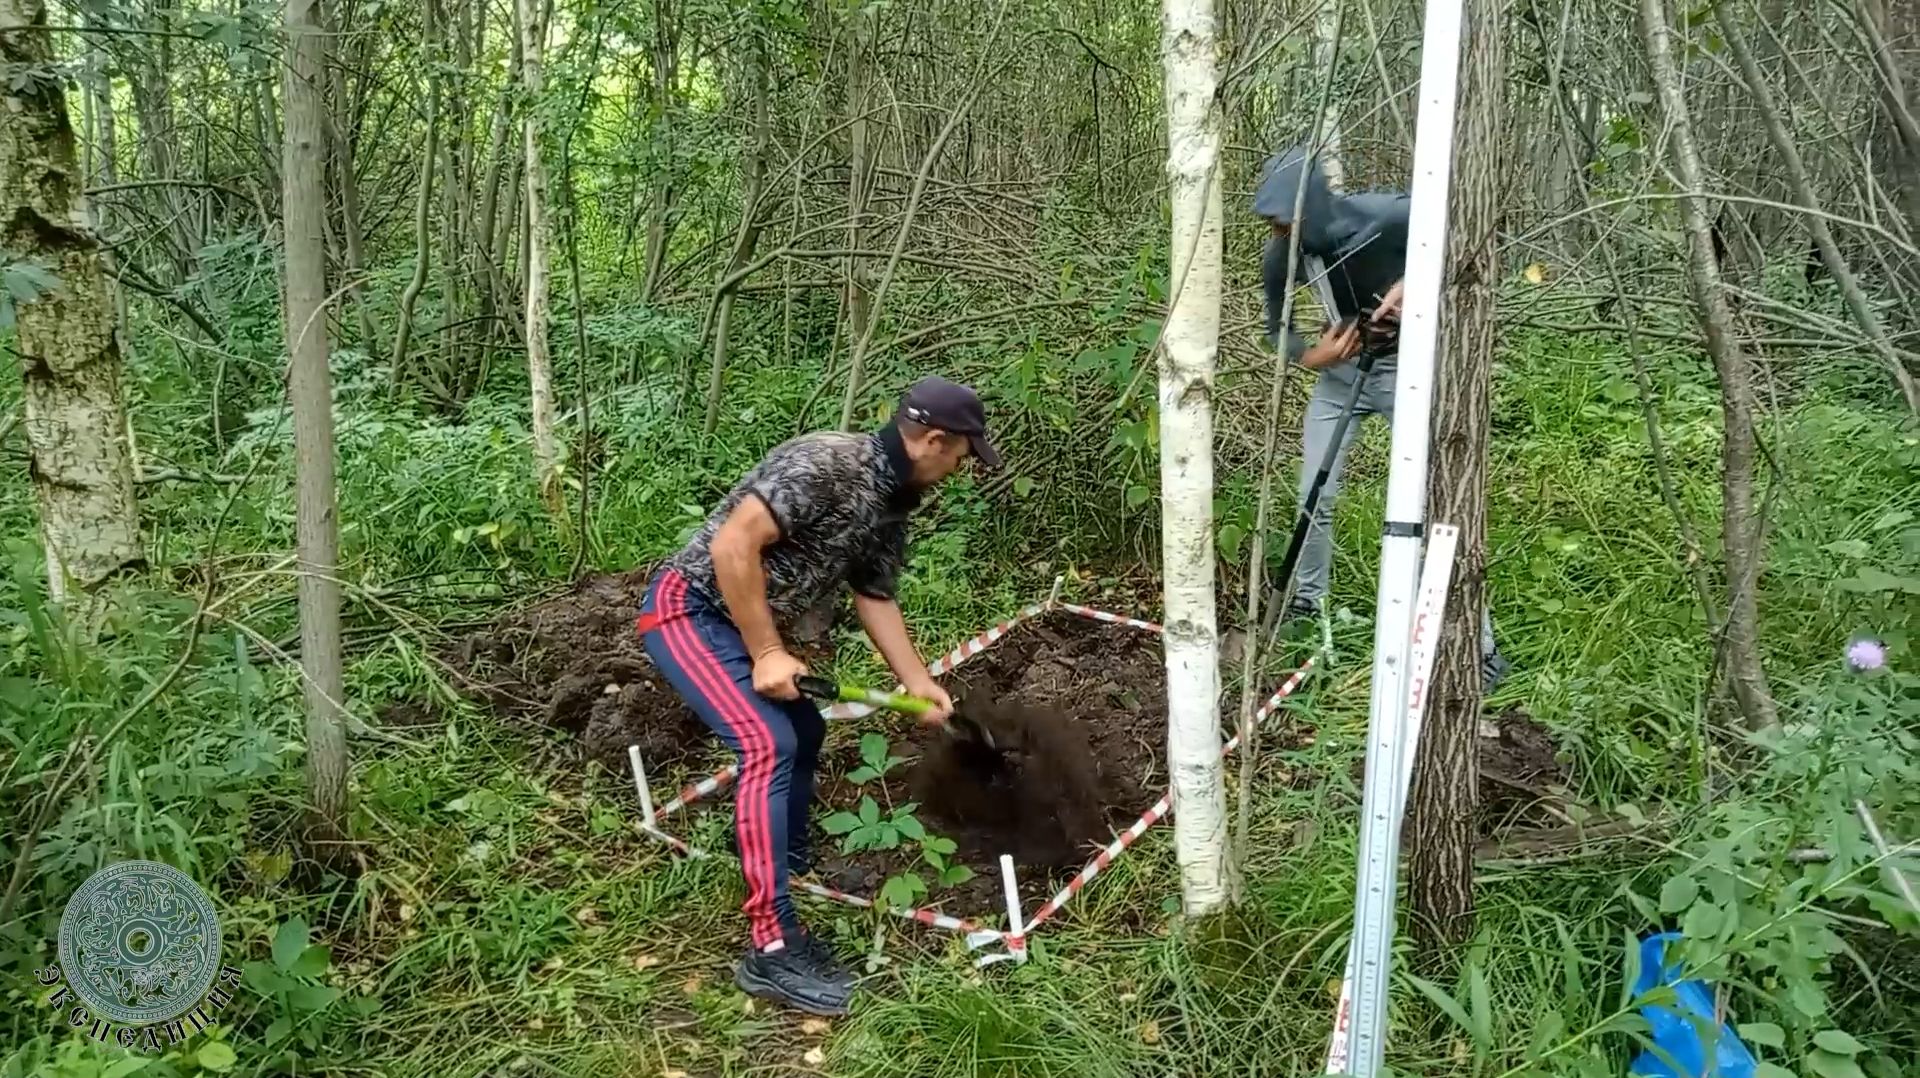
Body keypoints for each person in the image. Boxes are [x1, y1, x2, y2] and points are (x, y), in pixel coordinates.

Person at [634, 375, 1000, 1017]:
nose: (962, 467)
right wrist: (767, 651)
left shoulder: (894, 499)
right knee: (769, 743)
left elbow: (875, 595)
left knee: (804, 732)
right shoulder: (827, 461)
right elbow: (733, 543)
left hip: (745, 624)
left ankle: (778, 855)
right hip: (689, 611)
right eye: (963, 454)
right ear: (933, 441)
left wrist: (917, 682)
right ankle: (771, 948)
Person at [1254, 143, 1510, 692]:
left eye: (1286, 217)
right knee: (1311, 498)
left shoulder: (1388, 216)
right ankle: (1305, 604)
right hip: (1339, 380)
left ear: (1314, 205)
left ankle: (1477, 642)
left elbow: (1460, 228)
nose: (1278, 230)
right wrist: (1310, 356)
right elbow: (1276, 329)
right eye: (1273, 221)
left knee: (1431, 503)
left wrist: (1415, 281)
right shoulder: (1283, 254)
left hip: (1406, 376)